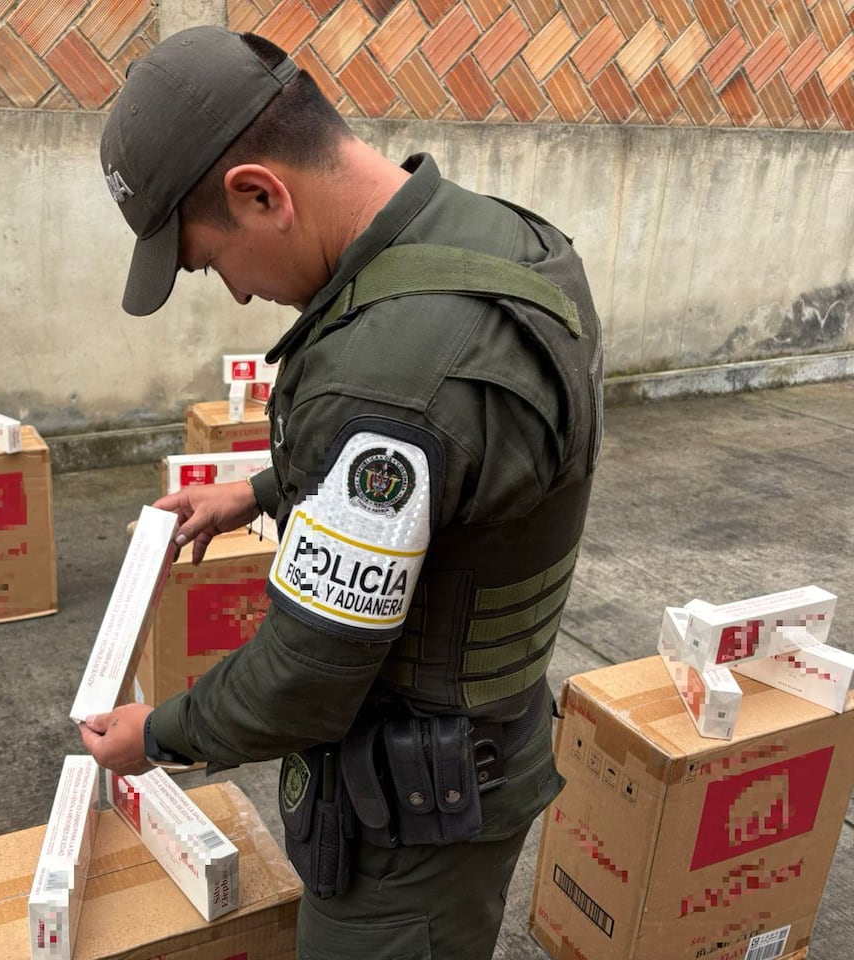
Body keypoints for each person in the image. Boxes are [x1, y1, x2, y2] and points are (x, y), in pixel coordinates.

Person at [80, 25, 604, 960]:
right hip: (481, 756)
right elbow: (449, 456)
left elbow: (304, 681)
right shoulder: (498, 237)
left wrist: (157, 733)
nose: (235, 295)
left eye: (208, 263)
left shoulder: (390, 380)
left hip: (411, 823)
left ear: (259, 193)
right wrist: (262, 491)